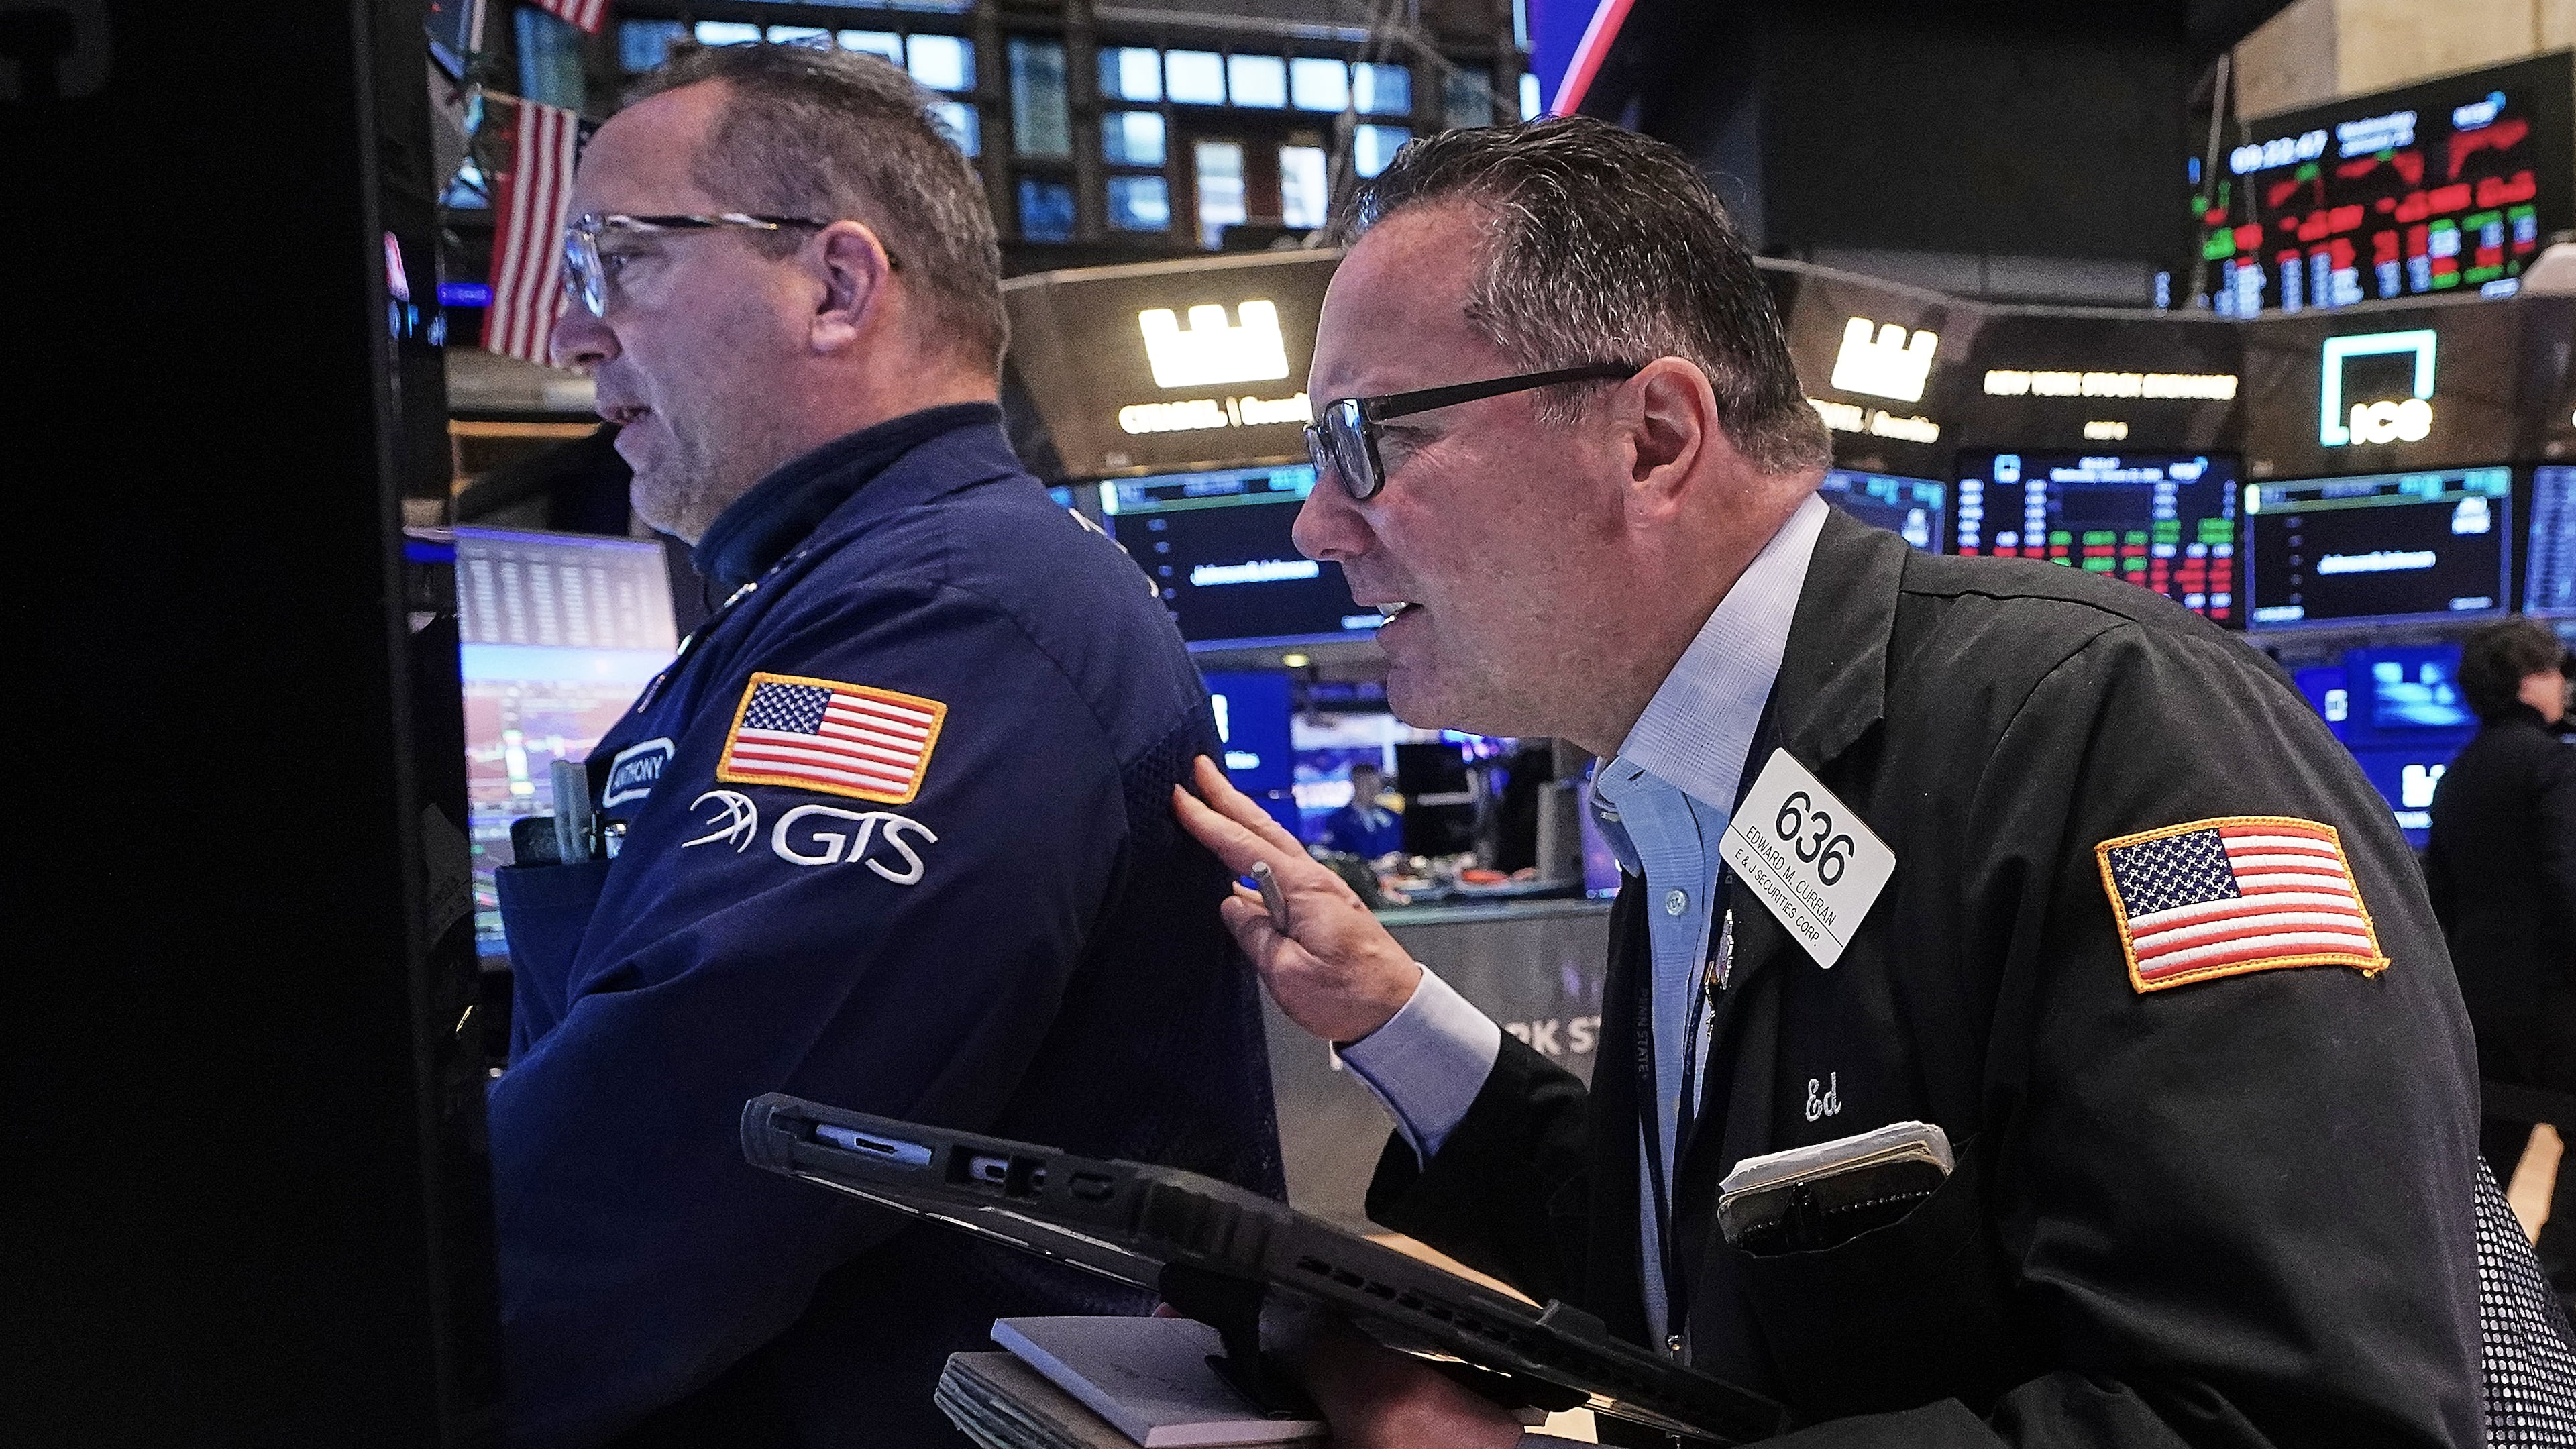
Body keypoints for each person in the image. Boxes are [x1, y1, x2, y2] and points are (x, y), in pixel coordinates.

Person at [1173, 117, 2489, 1448]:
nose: (1314, 525)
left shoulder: (2115, 732)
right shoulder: (1696, 779)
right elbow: (1709, 1268)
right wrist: (1394, 1015)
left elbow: (2285, 1419)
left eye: (1360, 439)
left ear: (1654, 437)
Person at [489, 44, 1280, 1447]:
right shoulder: (842, 600)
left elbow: (668, 1175)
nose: (576, 333)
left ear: (836, 285)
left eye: (616, 260)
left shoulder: (950, 618)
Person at [2426, 619, 2575, 1297]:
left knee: (2478, 1181)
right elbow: (2567, 883)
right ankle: (2553, 1312)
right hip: (2554, 1003)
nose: (2562, 685)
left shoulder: (2459, 775)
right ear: (2527, 683)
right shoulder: (2553, 763)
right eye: (2553, 671)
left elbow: (2439, 900)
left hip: (2477, 1002)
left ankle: (2474, 1306)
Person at [1319, 761, 1403, 859]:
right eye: (1368, 786)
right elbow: (1334, 853)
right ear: (1356, 785)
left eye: (1376, 786)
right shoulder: (1338, 820)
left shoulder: (1393, 817)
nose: (1373, 792)